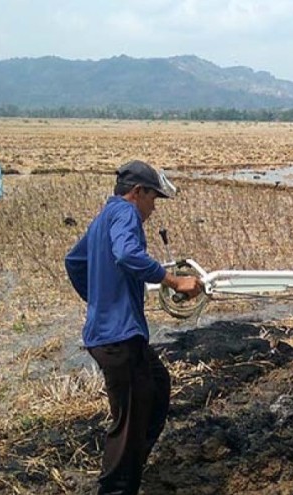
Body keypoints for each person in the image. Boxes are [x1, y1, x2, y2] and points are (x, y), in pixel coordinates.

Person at [65, 160, 203, 495]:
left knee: (157, 385)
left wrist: (100, 299)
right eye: (153, 198)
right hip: (119, 339)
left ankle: (133, 463)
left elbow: (75, 261)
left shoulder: (104, 218)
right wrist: (173, 279)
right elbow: (127, 254)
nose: (153, 207)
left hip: (114, 335)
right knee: (128, 426)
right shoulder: (125, 213)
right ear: (137, 192)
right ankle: (118, 486)